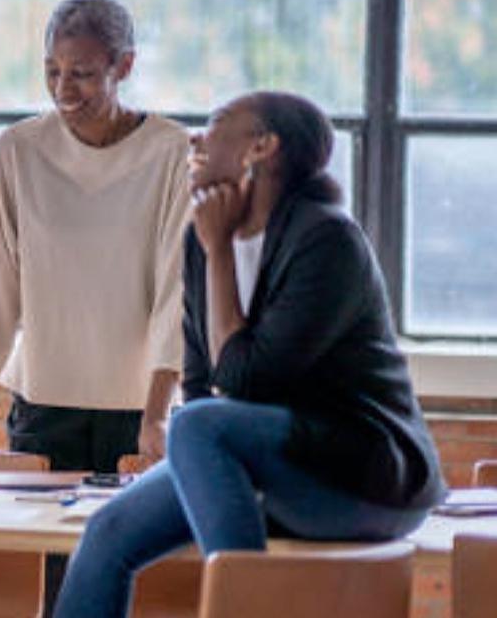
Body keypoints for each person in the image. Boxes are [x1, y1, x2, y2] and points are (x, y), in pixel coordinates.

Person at [53, 91, 446, 618]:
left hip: (365, 480)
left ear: (262, 147)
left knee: (197, 424)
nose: (195, 137)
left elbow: (241, 381)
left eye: (216, 124)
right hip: (270, 466)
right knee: (108, 531)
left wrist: (219, 253)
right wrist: (211, 248)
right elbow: (200, 380)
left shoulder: (328, 240)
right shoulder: (199, 241)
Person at [0, 0, 191, 474]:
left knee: (129, 551)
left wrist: (156, 416)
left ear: (125, 66)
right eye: (53, 71)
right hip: (42, 408)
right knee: (40, 550)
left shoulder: (173, 153)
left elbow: (176, 296)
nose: (64, 89)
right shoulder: (17, 151)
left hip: (139, 411)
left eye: (83, 74)